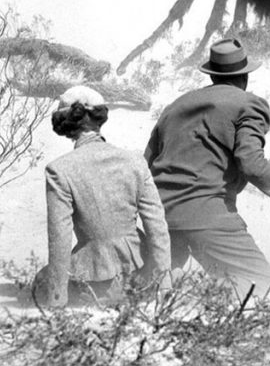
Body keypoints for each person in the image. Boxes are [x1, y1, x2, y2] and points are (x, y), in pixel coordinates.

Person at [144, 39, 270, 297]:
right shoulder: (248, 104)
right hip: (208, 215)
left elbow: (147, 164)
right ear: (245, 76)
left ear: (212, 75)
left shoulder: (175, 106)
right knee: (267, 291)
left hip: (162, 217)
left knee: (161, 296)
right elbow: (251, 162)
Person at [35, 86, 171, 308]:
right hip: (140, 275)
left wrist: (57, 298)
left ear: (66, 124)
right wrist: (164, 285)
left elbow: (60, 238)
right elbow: (157, 226)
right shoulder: (135, 161)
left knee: (40, 281)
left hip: (96, 281)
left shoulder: (59, 170)